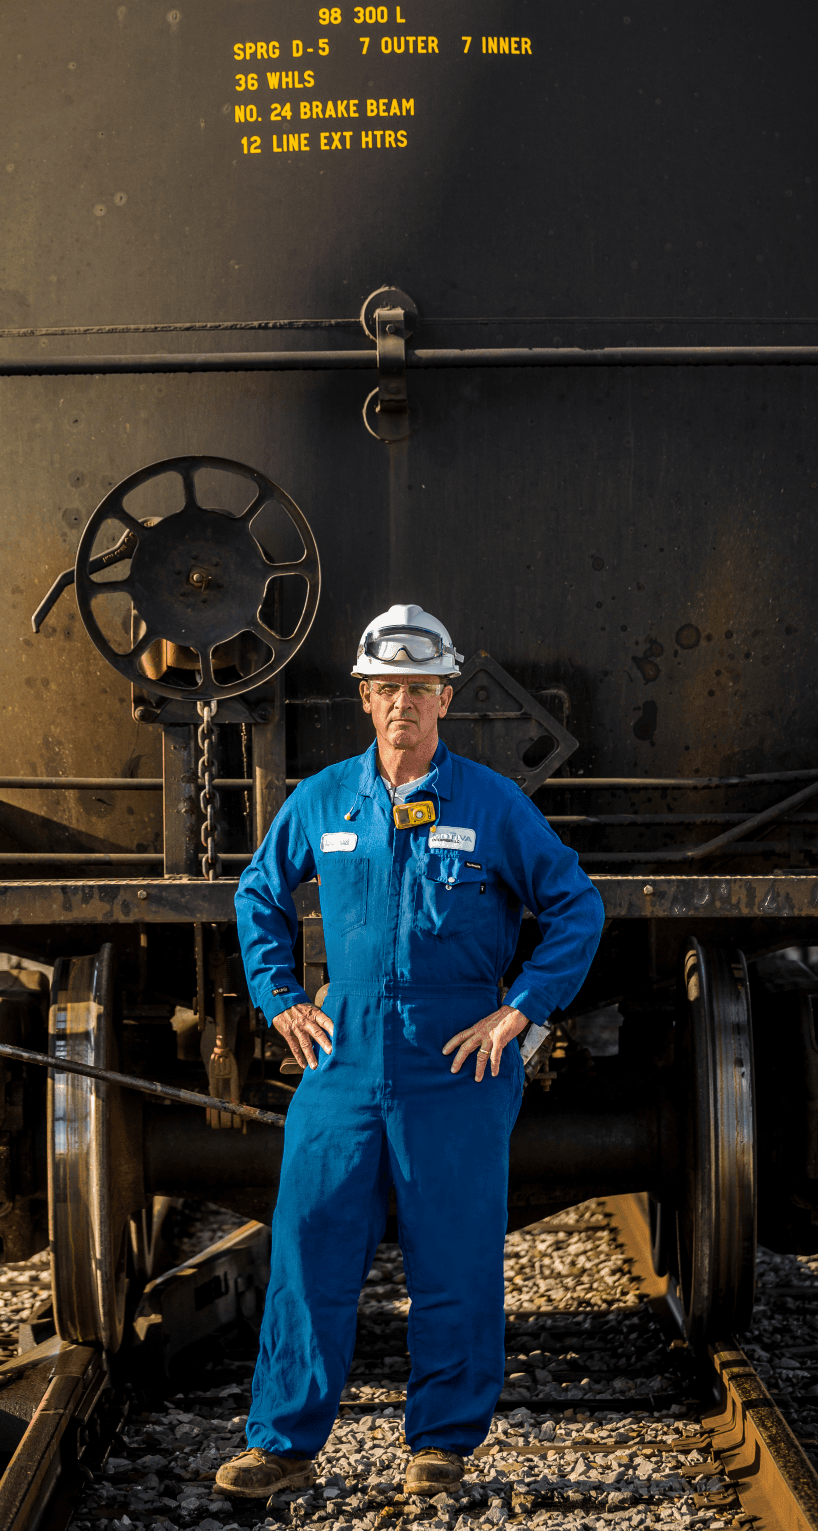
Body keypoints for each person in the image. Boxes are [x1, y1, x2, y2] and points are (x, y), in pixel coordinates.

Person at [215, 604, 605, 1503]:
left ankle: (440, 1443)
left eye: (419, 690)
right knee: (308, 1248)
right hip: (342, 1054)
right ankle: (279, 1443)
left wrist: (519, 1013)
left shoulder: (491, 802)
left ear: (445, 699)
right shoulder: (321, 800)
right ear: (363, 698)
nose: (402, 706)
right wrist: (279, 998)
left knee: (454, 1256)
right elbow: (258, 896)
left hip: (455, 1063)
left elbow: (575, 907)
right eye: (386, 688)